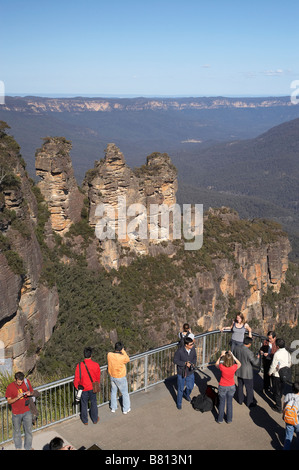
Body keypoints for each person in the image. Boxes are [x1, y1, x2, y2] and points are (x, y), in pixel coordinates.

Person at [5, 371, 36, 450]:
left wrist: (30, 393)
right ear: (15, 379)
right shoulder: (10, 387)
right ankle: (18, 447)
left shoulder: (26, 382)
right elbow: (9, 401)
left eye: (21, 382)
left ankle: (28, 447)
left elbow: (32, 392)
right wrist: (17, 397)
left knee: (28, 430)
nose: (20, 383)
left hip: (27, 411)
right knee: (17, 431)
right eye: (18, 382)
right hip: (16, 413)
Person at [73, 347, 101, 425]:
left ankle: (85, 420)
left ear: (84, 355)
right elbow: (98, 377)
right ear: (91, 355)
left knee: (84, 404)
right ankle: (95, 419)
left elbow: (77, 378)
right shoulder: (96, 365)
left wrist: (76, 386)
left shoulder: (79, 365)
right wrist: (97, 384)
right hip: (92, 387)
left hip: (83, 388)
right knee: (93, 403)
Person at [215, 350, 241, 423]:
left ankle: (220, 419)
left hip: (222, 386)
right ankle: (229, 420)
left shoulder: (221, 366)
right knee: (229, 403)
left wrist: (221, 356)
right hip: (231, 386)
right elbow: (239, 363)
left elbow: (216, 364)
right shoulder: (234, 367)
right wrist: (233, 356)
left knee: (222, 403)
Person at [234, 337, 260, 407]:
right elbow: (255, 363)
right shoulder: (249, 352)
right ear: (249, 344)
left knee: (240, 386)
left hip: (239, 370)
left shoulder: (236, 348)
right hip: (247, 373)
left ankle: (240, 400)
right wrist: (258, 358)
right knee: (249, 388)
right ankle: (249, 403)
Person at [268, 338, 292, 413]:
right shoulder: (287, 353)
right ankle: (279, 398)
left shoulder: (277, 354)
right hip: (284, 374)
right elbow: (290, 362)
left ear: (277, 346)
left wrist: (270, 372)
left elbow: (273, 365)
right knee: (281, 389)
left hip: (277, 375)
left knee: (277, 390)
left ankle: (278, 407)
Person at [173, 336, 197, 410]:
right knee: (180, 389)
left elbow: (195, 357)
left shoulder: (193, 349)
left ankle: (186, 394)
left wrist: (192, 363)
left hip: (190, 372)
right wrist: (184, 363)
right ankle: (179, 403)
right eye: (190, 344)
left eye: (192, 344)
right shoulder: (179, 351)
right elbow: (175, 360)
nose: (192, 346)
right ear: (186, 345)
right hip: (182, 373)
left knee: (190, 386)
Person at [107, 342, 131, 414]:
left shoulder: (109, 355)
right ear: (120, 349)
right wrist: (123, 351)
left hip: (112, 376)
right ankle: (125, 409)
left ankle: (113, 408)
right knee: (125, 393)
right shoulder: (122, 357)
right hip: (120, 377)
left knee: (113, 392)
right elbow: (127, 359)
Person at [282, 382, 299, 450]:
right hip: (297, 420)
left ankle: (286, 448)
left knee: (288, 436)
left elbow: (284, 405)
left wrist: (283, 415)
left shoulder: (288, 395)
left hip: (288, 418)